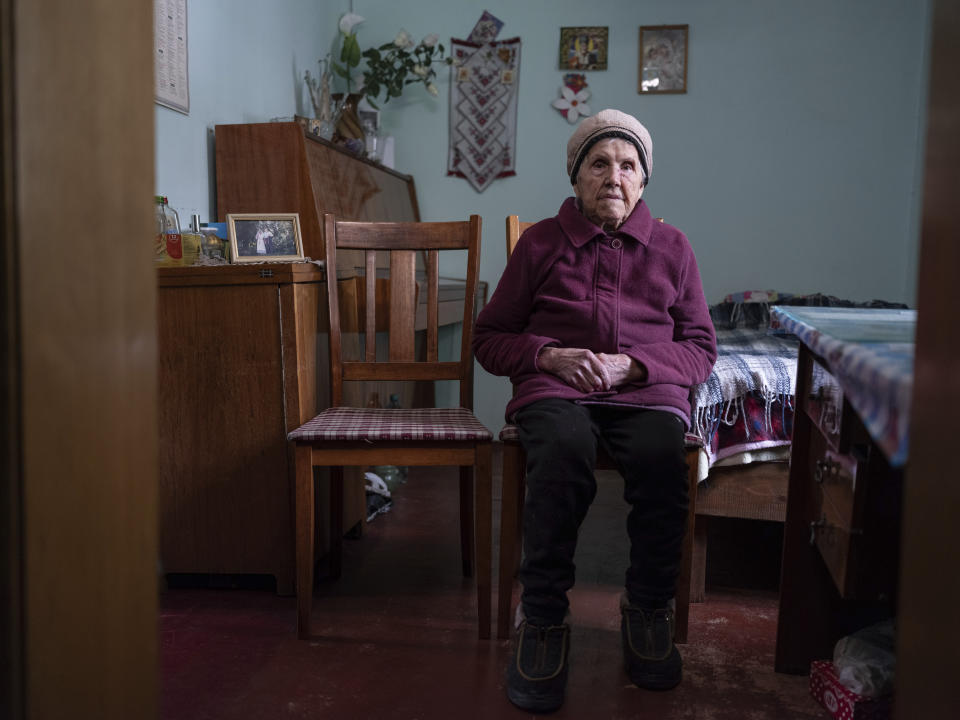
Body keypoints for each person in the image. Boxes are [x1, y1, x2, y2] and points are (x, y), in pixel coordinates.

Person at [472, 108, 717, 713]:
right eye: (599, 164)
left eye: (628, 165)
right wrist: (547, 356)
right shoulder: (540, 244)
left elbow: (702, 347)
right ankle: (546, 618)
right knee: (561, 454)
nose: (614, 176)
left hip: (646, 394)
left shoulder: (673, 247)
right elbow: (490, 338)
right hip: (556, 392)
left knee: (664, 461)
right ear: (576, 178)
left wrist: (635, 366)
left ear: (643, 181)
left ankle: (647, 608)